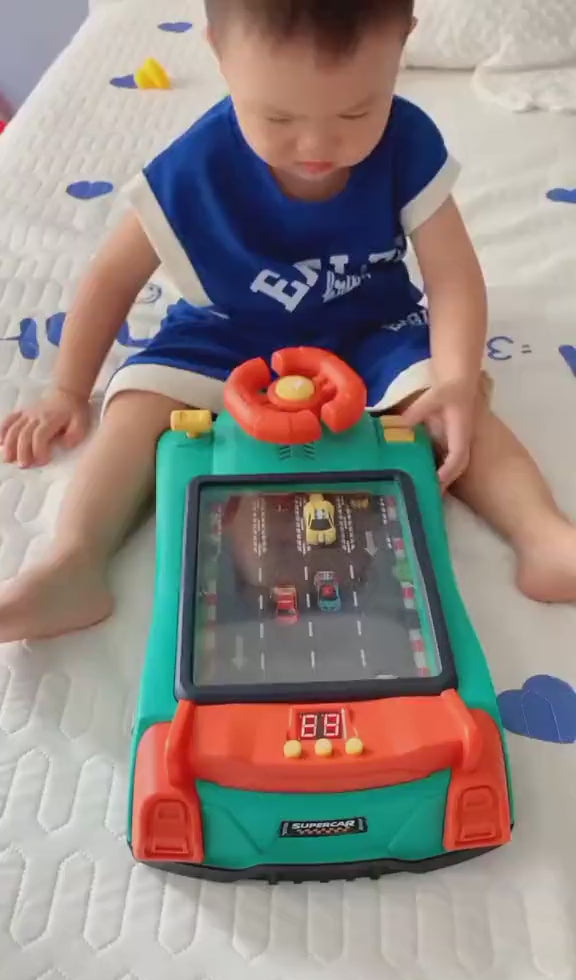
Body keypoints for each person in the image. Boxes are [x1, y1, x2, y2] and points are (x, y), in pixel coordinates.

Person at [1, 0, 575, 643]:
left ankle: (543, 537)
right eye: (277, 117)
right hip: (228, 333)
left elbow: (454, 277)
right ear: (218, 54)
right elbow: (111, 277)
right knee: (138, 406)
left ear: (402, 47)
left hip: (371, 327)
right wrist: (67, 390)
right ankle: (74, 561)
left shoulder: (409, 141)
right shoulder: (197, 164)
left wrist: (458, 378)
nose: (316, 146)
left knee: (446, 399)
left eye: (356, 112)